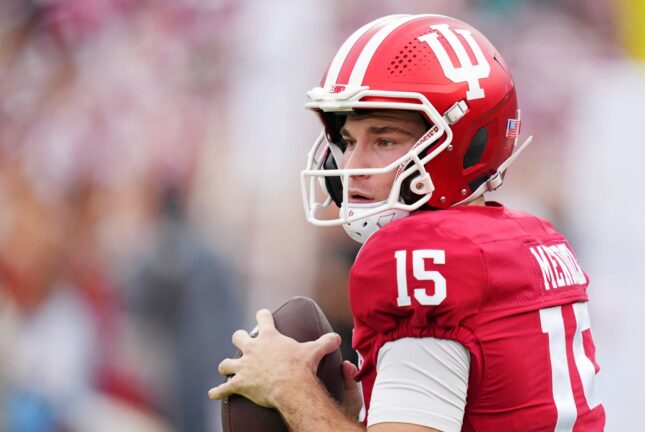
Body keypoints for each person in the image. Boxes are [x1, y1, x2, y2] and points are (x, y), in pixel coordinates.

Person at [209, 14, 606, 432]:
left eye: (384, 140)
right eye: (347, 141)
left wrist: (290, 389)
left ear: (465, 144)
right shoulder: (532, 241)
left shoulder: (421, 258)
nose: (352, 165)